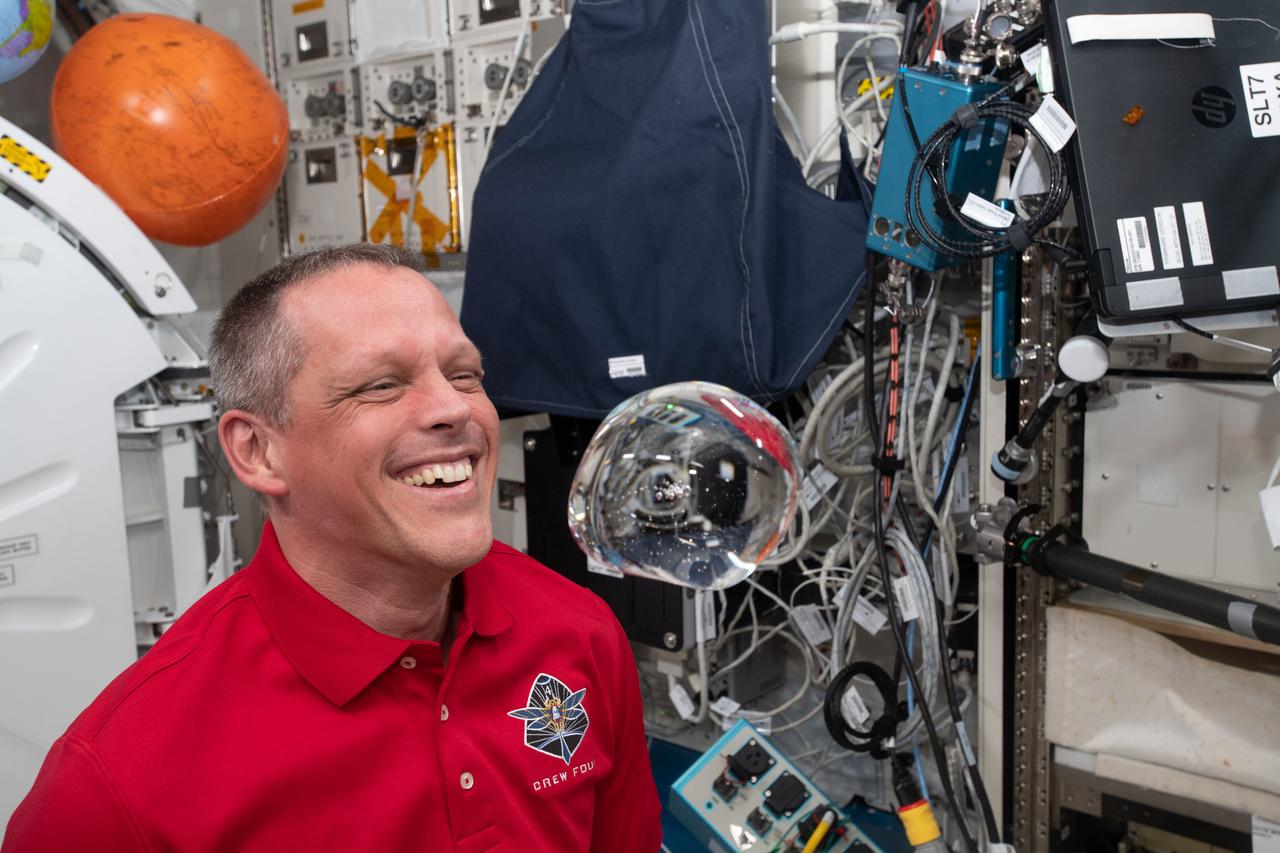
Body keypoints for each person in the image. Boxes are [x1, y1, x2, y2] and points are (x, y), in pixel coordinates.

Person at [2, 244, 664, 852]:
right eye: (380, 384)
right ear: (258, 451)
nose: (454, 409)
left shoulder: (578, 633)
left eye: (464, 374)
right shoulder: (115, 785)